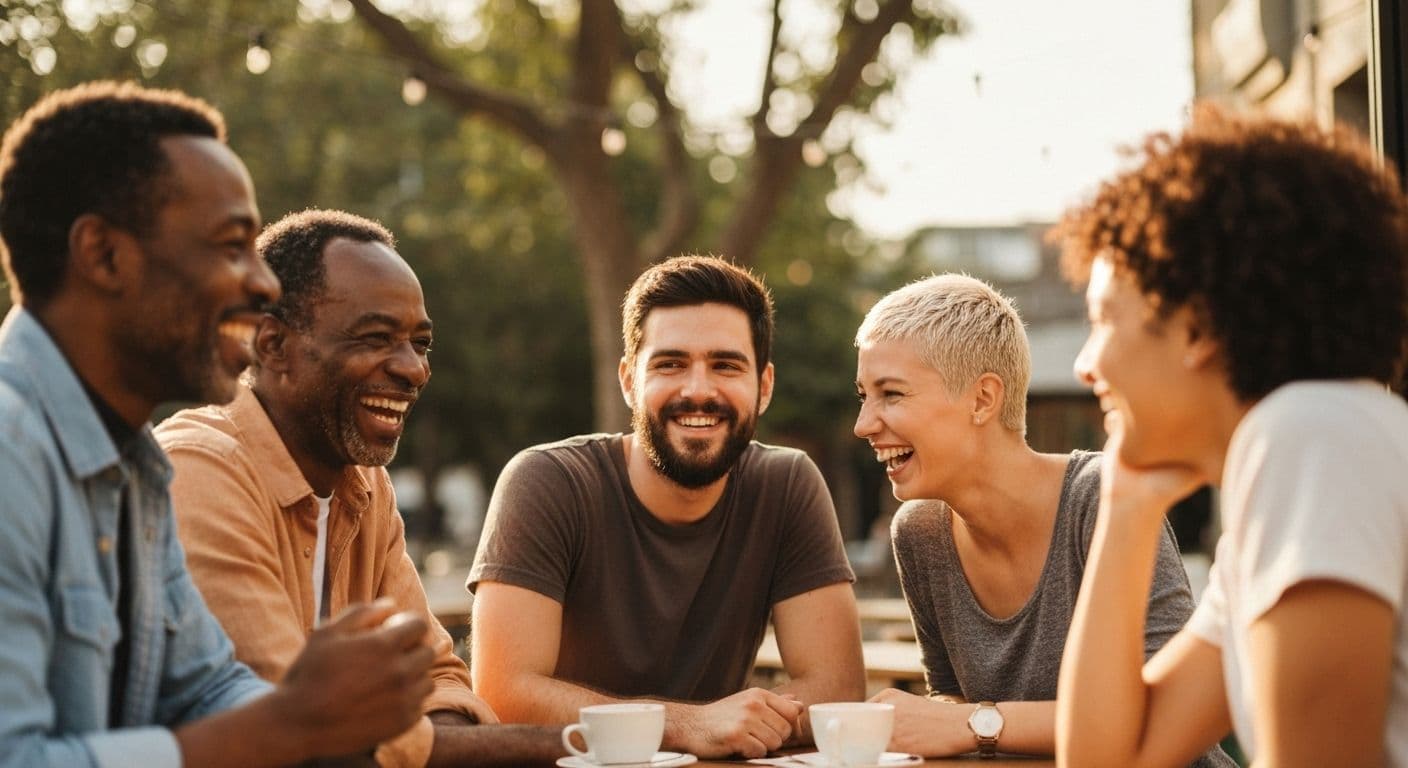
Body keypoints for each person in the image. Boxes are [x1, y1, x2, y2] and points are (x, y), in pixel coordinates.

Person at [0, 81, 434, 767]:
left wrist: (317, 716)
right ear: (104, 255)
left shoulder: (136, 467)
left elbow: (207, 687)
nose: (263, 286)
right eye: (232, 245)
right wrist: (296, 722)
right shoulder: (10, 455)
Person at [1055, 107, 1408, 767]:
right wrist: (1126, 506)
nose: (1086, 363)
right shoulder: (1313, 441)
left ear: (1197, 330)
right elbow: (1110, 761)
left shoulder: (1312, 437)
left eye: (1104, 320)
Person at [154, 209, 565, 767]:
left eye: (420, 344)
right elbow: (291, 721)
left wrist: (445, 739)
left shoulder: (364, 482)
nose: (413, 369)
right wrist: (582, 746)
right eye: (376, 338)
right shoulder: (199, 471)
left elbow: (437, 677)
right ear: (271, 345)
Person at [469, 255, 865, 759]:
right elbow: (504, 694)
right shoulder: (549, 481)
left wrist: (735, 725)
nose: (698, 390)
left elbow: (838, 688)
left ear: (763, 387)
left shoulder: (785, 484)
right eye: (670, 364)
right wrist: (686, 725)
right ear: (629, 380)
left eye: (725, 365)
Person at [852, 275, 1232, 765]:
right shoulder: (920, 532)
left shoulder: (1101, 497)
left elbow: (1165, 720)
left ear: (983, 400)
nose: (863, 424)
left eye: (892, 394)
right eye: (864, 395)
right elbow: (949, 700)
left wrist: (976, 724)